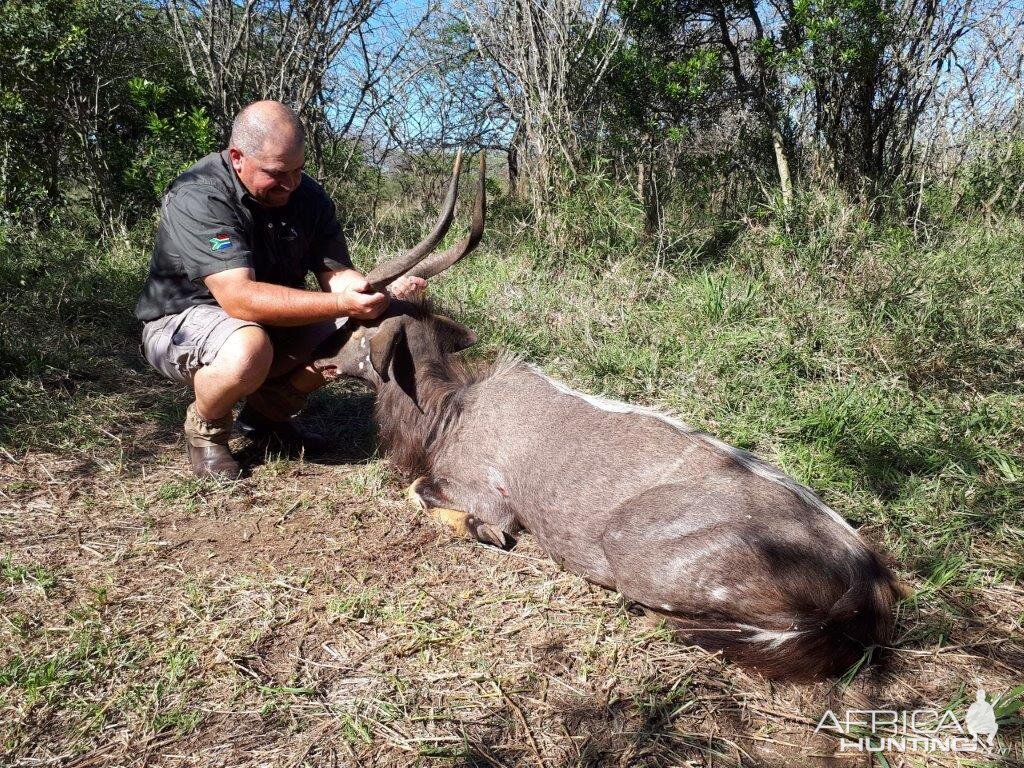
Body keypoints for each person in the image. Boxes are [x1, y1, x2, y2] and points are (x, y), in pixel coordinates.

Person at [134, 100, 424, 479]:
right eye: (276, 173)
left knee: (357, 330)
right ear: (237, 157)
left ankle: (267, 417)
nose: (290, 183)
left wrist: (375, 292)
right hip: (182, 323)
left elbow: (336, 274)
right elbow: (238, 298)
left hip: (263, 319)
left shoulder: (307, 195)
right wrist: (341, 303)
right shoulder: (199, 194)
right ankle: (207, 430)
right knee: (248, 349)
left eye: (298, 170)